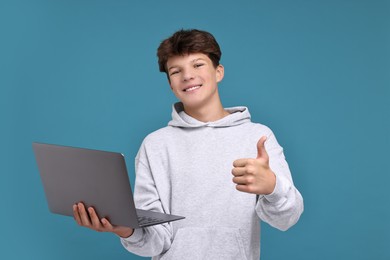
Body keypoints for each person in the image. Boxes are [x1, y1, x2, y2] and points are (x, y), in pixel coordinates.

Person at [73, 29, 304, 259]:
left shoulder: (257, 137)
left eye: (198, 65)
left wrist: (273, 186)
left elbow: (287, 218)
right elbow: (154, 242)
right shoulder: (155, 145)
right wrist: (123, 228)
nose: (187, 76)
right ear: (171, 85)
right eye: (176, 71)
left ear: (219, 71)